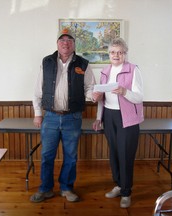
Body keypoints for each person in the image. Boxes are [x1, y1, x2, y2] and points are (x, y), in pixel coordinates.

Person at [31, 28, 96, 203]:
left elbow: (90, 87)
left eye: (69, 40)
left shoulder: (83, 63)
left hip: (72, 118)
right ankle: (46, 189)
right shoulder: (47, 62)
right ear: (57, 44)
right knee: (47, 156)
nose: (65, 43)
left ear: (74, 44)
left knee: (71, 157)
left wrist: (93, 96)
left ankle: (66, 188)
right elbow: (38, 90)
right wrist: (38, 114)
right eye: (62, 40)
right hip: (50, 117)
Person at [92, 38, 144, 208]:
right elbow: (101, 98)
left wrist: (124, 91)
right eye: (113, 52)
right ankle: (119, 185)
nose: (116, 55)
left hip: (127, 118)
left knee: (125, 155)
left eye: (119, 52)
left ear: (124, 54)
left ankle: (126, 192)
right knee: (114, 154)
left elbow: (139, 97)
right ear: (108, 54)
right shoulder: (105, 71)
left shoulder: (133, 69)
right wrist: (99, 118)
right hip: (109, 117)